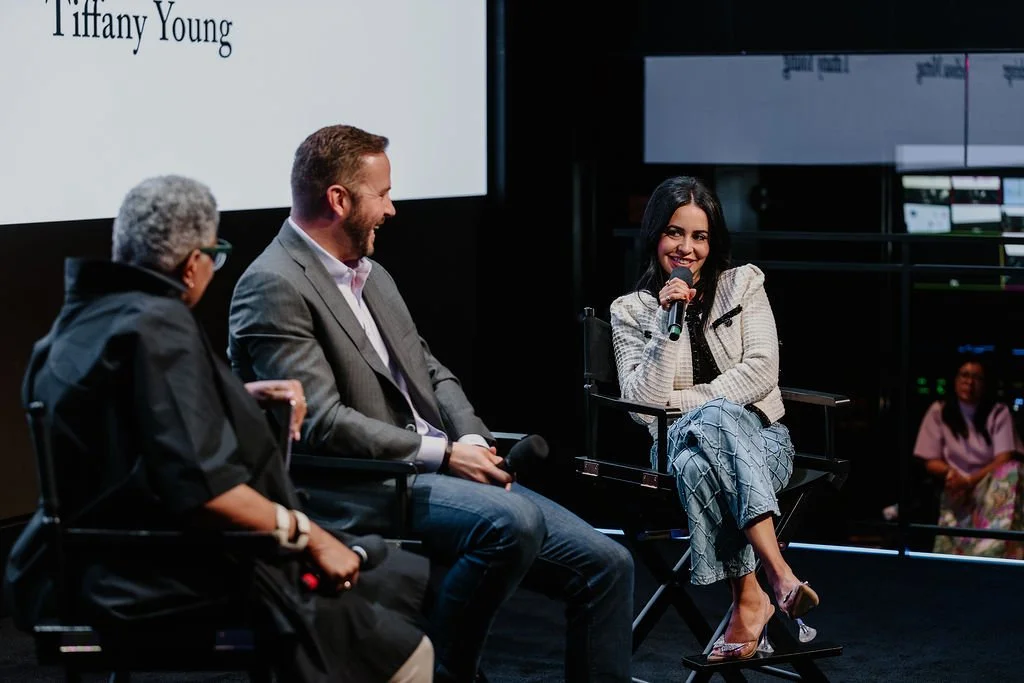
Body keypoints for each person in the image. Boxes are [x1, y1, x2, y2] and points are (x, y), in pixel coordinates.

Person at [228, 124, 634, 683]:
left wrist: (468, 438)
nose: (392, 210)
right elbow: (317, 422)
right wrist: (441, 456)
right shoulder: (273, 285)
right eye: (383, 194)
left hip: (435, 467)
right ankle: (437, 671)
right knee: (510, 523)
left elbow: (431, 371)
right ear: (339, 199)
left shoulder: (373, 276)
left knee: (608, 564)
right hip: (360, 484)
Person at [5, 175, 433, 683]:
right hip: (155, 577)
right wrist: (309, 536)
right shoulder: (159, 329)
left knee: (381, 569)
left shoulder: (74, 327)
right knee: (401, 633)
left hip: (76, 569)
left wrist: (232, 398)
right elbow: (206, 491)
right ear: (192, 265)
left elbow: (123, 428)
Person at [609, 176, 816, 662]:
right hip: (673, 444)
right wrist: (666, 328)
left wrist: (693, 402)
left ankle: (750, 598)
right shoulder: (631, 311)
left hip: (762, 440)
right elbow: (643, 407)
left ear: (712, 240)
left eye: (699, 236)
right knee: (711, 427)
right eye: (675, 233)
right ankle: (778, 575)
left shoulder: (744, 283)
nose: (686, 248)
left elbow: (764, 370)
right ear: (655, 235)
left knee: (702, 465)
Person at [913, 355, 1024, 558]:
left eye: (977, 377)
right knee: (948, 484)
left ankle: (994, 551)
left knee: (1012, 471)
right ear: (955, 379)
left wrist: (971, 481)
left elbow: (1005, 458)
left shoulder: (998, 412)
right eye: (964, 375)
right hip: (955, 483)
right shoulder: (939, 411)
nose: (969, 382)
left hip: (988, 483)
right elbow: (930, 460)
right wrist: (952, 474)